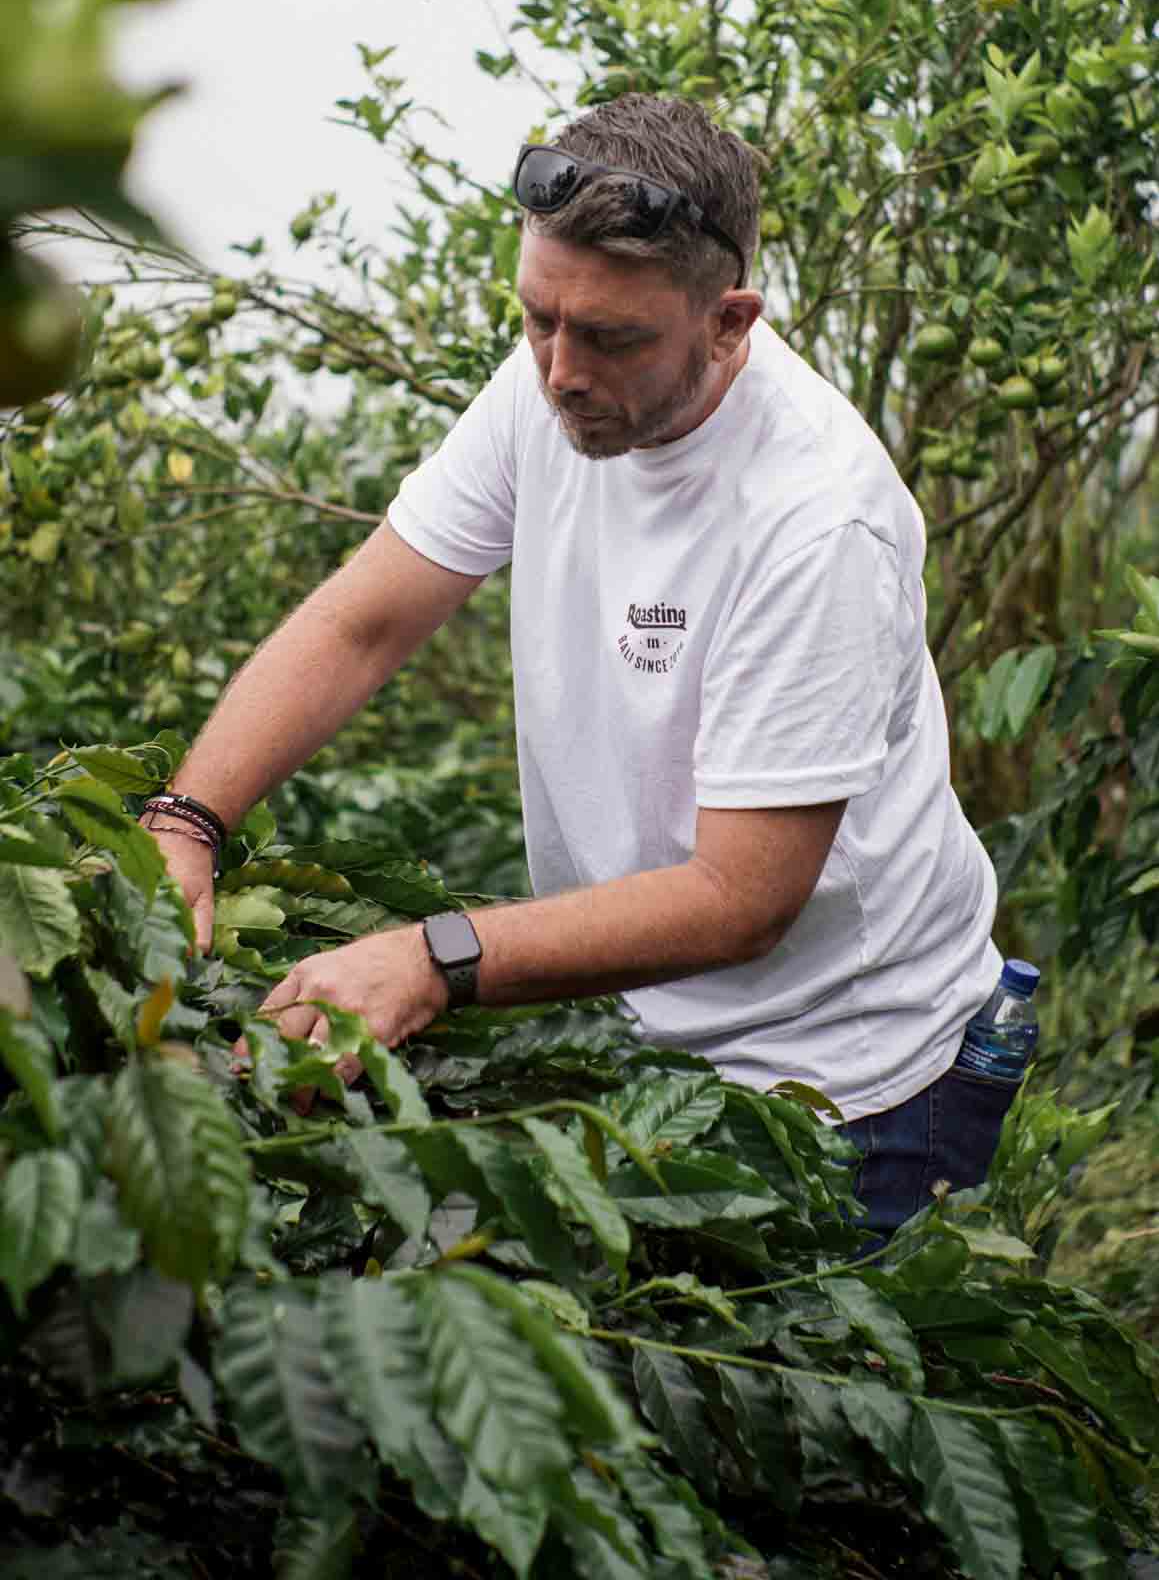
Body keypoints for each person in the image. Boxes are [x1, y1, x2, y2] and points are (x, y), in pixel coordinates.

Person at [142, 93, 1012, 1238]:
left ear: (729, 320)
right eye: (537, 318)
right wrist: (187, 820)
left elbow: (738, 897)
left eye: (610, 336)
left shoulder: (815, 519)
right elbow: (363, 622)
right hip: (637, 1030)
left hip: (847, 1080)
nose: (559, 369)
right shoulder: (550, 388)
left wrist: (433, 955)